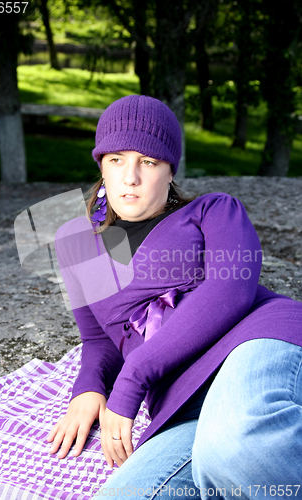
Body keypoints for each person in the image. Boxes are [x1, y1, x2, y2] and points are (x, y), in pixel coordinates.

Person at [48, 95, 302, 500]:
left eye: (148, 162)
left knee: (234, 451)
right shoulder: (77, 242)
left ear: (170, 170)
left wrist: (133, 379)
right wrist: (89, 388)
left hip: (253, 345)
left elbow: (230, 291)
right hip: (180, 404)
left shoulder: (213, 211)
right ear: (101, 164)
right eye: (116, 159)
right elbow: (100, 339)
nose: (130, 177)